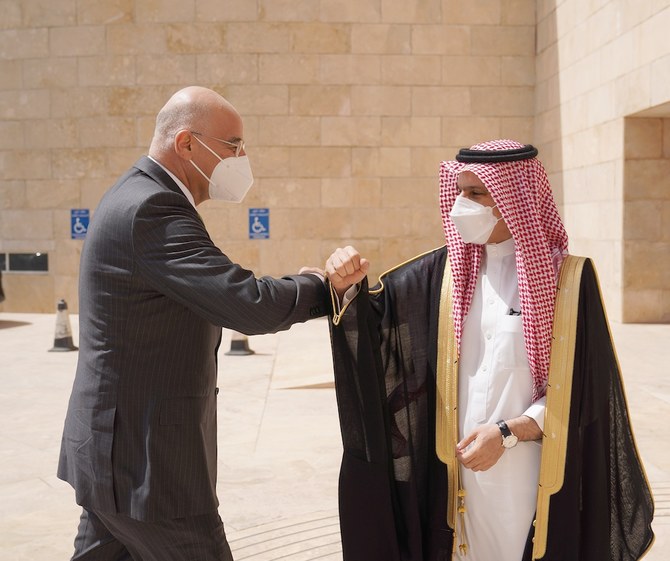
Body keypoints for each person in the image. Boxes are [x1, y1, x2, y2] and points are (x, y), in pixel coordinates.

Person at [325, 139, 654, 561]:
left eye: (476, 193)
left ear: (513, 198)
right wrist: (344, 286)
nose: (461, 203)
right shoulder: (440, 275)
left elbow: (585, 389)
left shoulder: (566, 282)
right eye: (458, 190)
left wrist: (508, 433)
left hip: (527, 474)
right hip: (450, 473)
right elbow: (377, 328)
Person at [57, 86, 330, 561]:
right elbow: (247, 303)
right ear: (186, 143)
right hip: (150, 470)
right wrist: (321, 287)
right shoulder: (154, 208)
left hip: (112, 458)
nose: (241, 157)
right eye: (232, 145)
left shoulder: (135, 191)